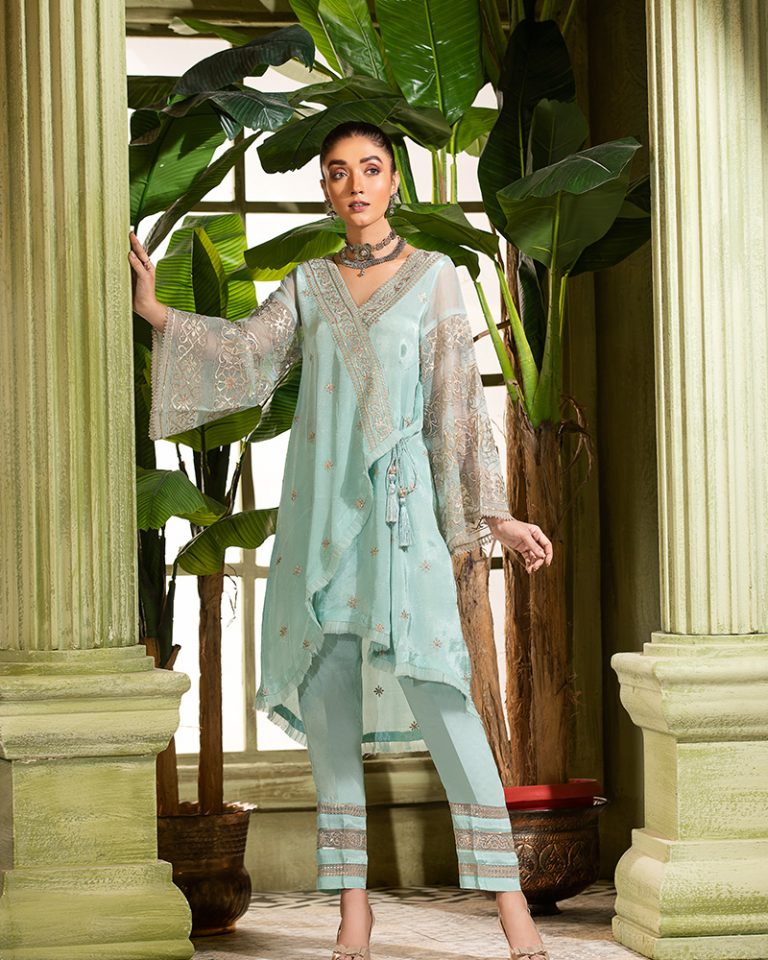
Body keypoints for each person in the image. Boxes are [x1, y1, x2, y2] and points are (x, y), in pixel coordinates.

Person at [129, 120, 553, 960]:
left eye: (370, 168)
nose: (355, 185)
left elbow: (456, 407)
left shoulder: (435, 277)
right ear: (324, 188)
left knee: (444, 695)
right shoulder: (309, 284)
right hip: (319, 519)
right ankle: (352, 910)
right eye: (337, 172)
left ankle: (513, 910)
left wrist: (493, 514)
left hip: (402, 516)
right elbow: (246, 354)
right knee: (329, 706)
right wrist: (156, 311)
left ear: (393, 180)